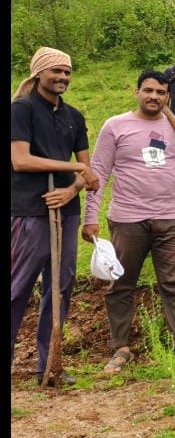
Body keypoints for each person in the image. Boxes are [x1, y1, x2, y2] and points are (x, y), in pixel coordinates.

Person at [83, 70, 175, 374]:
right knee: (121, 283)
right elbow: (98, 174)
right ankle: (121, 347)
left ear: (168, 96)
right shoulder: (115, 126)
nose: (154, 96)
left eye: (160, 92)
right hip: (128, 218)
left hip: (171, 218)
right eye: (148, 90)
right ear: (137, 91)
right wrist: (90, 217)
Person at [11, 47, 100, 384]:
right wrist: (75, 167)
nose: (63, 78)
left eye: (67, 72)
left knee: (60, 286)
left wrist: (72, 187)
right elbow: (20, 159)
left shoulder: (73, 116)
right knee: (17, 287)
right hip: (30, 209)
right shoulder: (21, 109)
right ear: (38, 74)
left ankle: (50, 366)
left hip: (66, 208)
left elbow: (87, 171)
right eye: (56, 72)